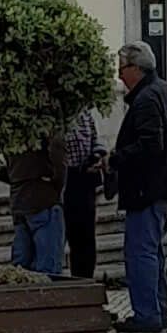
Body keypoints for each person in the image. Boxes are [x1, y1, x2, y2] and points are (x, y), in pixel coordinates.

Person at [107, 40, 167, 333]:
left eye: (122, 68)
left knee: (141, 253)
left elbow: (150, 145)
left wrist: (116, 159)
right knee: (152, 252)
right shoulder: (163, 91)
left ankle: (147, 314)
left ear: (136, 68)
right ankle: (156, 310)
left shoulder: (147, 99)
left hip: (148, 190)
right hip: (162, 188)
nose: (119, 76)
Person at [1, 129, 68, 279]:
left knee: (21, 267)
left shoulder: (11, 125)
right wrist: (56, 184)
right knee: (48, 267)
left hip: (19, 196)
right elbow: (58, 154)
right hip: (43, 196)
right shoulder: (46, 120)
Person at [61, 109, 105, 280]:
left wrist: (97, 154)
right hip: (66, 179)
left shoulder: (84, 112)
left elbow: (96, 138)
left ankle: (85, 278)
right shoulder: (57, 114)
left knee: (86, 237)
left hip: (85, 177)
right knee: (70, 234)